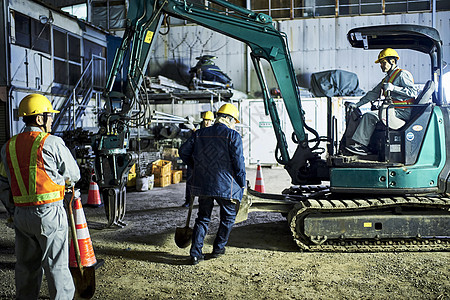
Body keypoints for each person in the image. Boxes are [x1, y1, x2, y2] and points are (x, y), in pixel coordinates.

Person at [0, 94, 80, 300]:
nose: (51, 120)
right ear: (38, 119)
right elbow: (75, 174)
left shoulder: (8, 147)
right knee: (57, 267)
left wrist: (13, 210)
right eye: (49, 116)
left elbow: (3, 184)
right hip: (49, 214)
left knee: (26, 268)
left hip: (21, 216)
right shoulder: (52, 143)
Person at [179, 103, 246, 265]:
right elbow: (239, 163)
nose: (233, 124)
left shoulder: (199, 134)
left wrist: (195, 166)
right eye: (233, 121)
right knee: (228, 217)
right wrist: (242, 183)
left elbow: (183, 151)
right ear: (229, 119)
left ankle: (195, 254)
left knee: (203, 217)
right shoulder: (232, 136)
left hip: (204, 183)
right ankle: (218, 248)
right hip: (226, 185)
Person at [345, 48, 418, 156]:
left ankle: (362, 146)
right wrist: (357, 104)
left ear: (392, 61)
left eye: (383, 63)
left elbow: (413, 92)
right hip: (393, 110)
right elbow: (373, 94)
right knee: (371, 114)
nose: (381, 66)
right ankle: (368, 145)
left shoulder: (402, 74)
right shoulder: (387, 79)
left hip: (402, 111)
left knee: (369, 116)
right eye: (381, 63)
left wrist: (394, 88)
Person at [181, 111, 214, 208]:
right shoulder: (198, 128)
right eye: (205, 120)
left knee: (208, 181)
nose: (207, 122)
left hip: (207, 161)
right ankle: (188, 201)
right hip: (195, 159)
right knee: (190, 181)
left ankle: (207, 201)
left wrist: (195, 130)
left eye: (209, 120)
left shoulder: (212, 130)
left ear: (212, 121)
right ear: (203, 120)